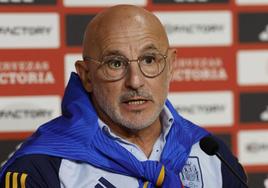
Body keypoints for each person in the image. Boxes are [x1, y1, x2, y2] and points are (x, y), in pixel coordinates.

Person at [0, 4, 246, 188]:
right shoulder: (41, 166)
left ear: (171, 65)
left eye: (149, 60)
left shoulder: (212, 154)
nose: (135, 81)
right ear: (86, 76)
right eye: (115, 63)